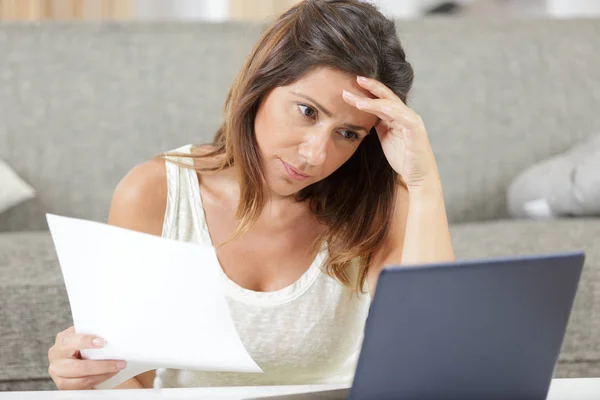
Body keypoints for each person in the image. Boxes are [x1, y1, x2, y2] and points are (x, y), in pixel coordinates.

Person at [47, 0, 454, 391]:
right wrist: (87, 377)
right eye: (307, 111)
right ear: (263, 84)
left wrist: (423, 182)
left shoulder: (377, 204)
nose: (315, 155)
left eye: (347, 134)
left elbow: (434, 356)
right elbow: (130, 380)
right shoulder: (156, 194)